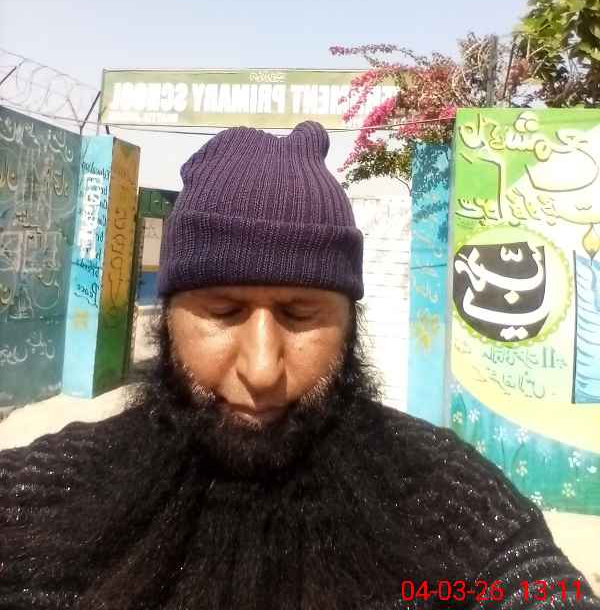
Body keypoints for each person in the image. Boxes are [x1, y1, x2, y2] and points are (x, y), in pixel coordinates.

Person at [0, 121, 597, 610]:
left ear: (350, 325)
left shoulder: (454, 508)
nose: (262, 371)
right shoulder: (43, 502)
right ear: (168, 318)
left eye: (300, 314)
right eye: (224, 312)